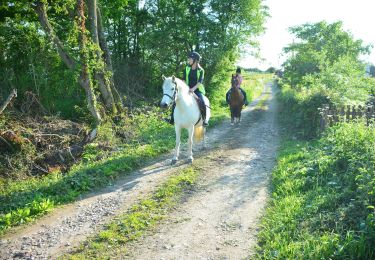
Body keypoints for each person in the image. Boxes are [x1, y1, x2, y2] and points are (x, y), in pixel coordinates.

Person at [164, 51, 209, 126]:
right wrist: (187, 88)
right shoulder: (187, 68)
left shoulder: (201, 70)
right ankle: (172, 119)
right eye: (189, 59)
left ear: (195, 60)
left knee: (202, 102)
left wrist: (193, 89)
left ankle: (204, 120)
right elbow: (184, 80)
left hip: (197, 90)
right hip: (186, 89)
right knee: (176, 100)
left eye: (190, 59)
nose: (189, 60)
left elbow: (199, 82)